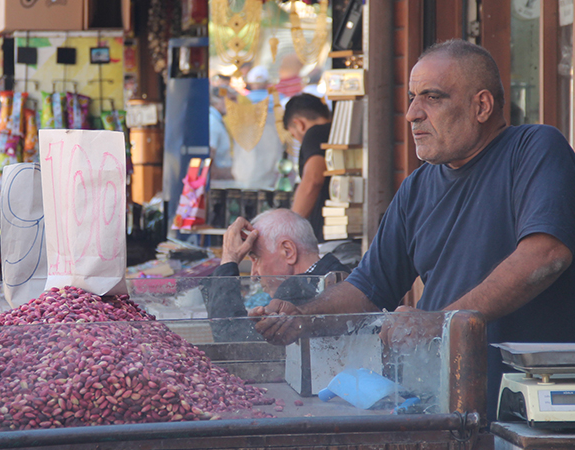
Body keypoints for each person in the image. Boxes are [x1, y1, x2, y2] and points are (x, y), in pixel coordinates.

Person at [250, 39, 575, 420]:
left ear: (481, 106)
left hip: (528, 415)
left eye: (432, 98)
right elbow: (367, 289)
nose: (412, 114)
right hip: (447, 410)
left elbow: (546, 254)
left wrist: (443, 323)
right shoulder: (418, 187)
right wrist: (304, 317)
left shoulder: (534, 148)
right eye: (411, 97)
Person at [203, 209, 350, 342]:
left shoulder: (297, 289)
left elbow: (231, 340)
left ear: (288, 251)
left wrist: (228, 260)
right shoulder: (338, 273)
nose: (254, 275)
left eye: (256, 258)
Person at [283, 94, 332, 241]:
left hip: (330, 237)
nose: (298, 140)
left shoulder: (314, 133)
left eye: (294, 135)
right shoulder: (337, 130)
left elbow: (313, 180)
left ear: (299, 124)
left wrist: (290, 232)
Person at [209, 87, 233, 184]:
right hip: (219, 184)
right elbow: (209, 158)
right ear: (218, 101)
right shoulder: (212, 122)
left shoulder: (217, 120)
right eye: (231, 99)